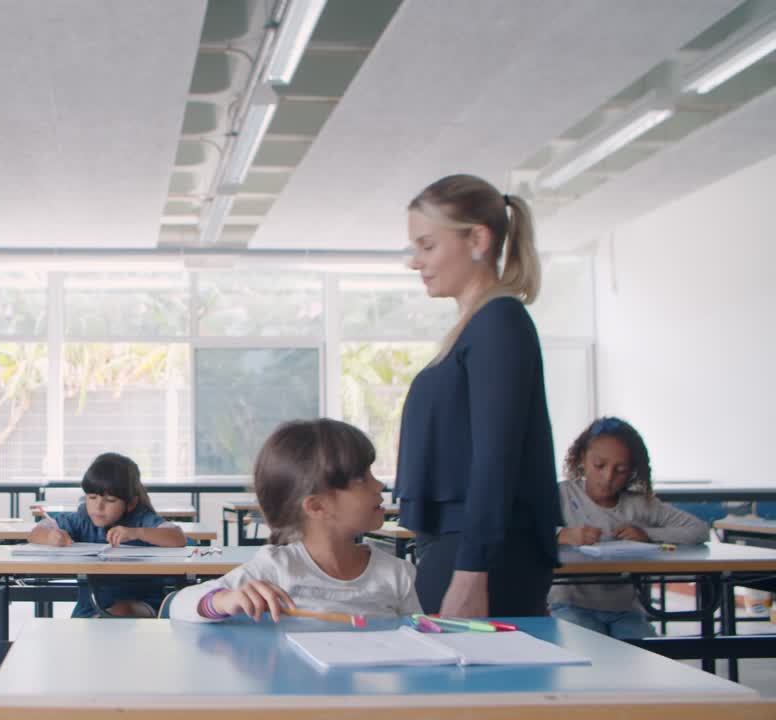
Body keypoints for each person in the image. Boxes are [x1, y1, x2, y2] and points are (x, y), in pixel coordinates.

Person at [395, 174, 562, 617]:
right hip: (465, 546)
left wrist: (472, 572)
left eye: (427, 246)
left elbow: (496, 458)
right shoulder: (477, 326)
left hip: (483, 555)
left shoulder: (499, 324)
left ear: (478, 239)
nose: (416, 262)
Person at [170, 419, 420, 622]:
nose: (379, 485)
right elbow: (179, 605)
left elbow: (419, 643)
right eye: (361, 479)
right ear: (317, 506)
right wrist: (222, 600)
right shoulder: (276, 568)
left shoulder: (398, 574)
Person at [550, 417, 708, 638]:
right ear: (581, 459)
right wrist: (563, 534)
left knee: (648, 657)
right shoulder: (561, 495)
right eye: (599, 466)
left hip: (624, 609)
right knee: (589, 651)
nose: (608, 477)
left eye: (620, 470)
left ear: (633, 471)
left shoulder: (639, 504)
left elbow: (698, 529)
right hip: (569, 604)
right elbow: (522, 532)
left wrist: (647, 535)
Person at [29, 452, 185, 617]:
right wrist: (50, 536)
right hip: (90, 605)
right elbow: (34, 533)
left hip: (142, 604)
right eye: (92, 497)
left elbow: (177, 537)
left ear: (131, 503)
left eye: (110, 500)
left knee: (119, 612)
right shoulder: (82, 518)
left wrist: (137, 533)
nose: (98, 507)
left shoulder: (141, 519)